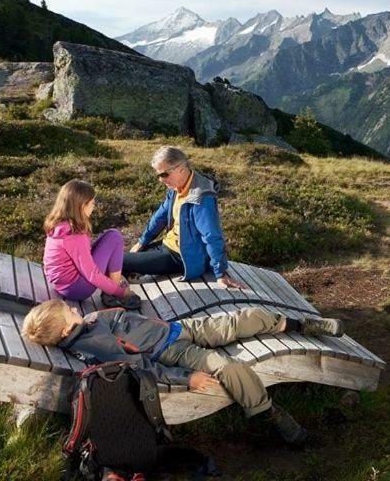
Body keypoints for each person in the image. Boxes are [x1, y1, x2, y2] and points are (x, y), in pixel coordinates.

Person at [21, 299, 345, 445]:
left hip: (178, 328)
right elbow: (140, 367)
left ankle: (306, 325)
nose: (75, 309)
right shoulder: (95, 344)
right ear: (64, 330)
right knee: (231, 368)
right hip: (173, 351)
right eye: (70, 311)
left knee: (247, 317)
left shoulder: (87, 327)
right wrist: (185, 378)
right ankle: (269, 414)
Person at [124, 146, 243, 290]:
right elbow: (160, 217)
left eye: (164, 174)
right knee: (121, 260)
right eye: (158, 175)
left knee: (119, 261)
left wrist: (220, 273)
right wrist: (141, 242)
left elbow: (211, 235)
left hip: (182, 256)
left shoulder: (200, 196)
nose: (161, 180)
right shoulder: (176, 188)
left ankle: (122, 296)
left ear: (180, 168)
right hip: (167, 246)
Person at [43, 179, 140, 309]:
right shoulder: (74, 234)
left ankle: (113, 284)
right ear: (83, 205)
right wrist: (121, 292)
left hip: (62, 286)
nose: (94, 205)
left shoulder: (60, 225)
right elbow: (92, 275)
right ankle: (114, 291)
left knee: (111, 236)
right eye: (92, 202)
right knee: (114, 237)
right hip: (76, 289)